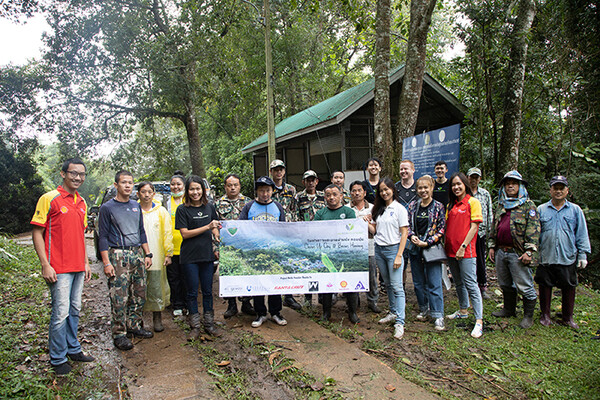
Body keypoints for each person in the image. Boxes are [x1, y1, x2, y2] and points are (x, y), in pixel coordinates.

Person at [31, 158, 94, 375]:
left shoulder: (82, 202)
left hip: (77, 265)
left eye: (81, 174)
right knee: (60, 312)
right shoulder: (49, 199)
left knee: (74, 309)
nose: (78, 178)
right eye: (73, 173)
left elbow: (81, 235)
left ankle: (73, 348)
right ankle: (57, 357)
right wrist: (45, 265)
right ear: (63, 174)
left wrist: (85, 262)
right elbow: (37, 232)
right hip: (58, 267)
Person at [99, 170, 154, 351]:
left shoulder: (135, 205)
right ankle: (119, 333)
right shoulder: (107, 208)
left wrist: (147, 254)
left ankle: (135, 325)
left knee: (139, 293)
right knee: (120, 296)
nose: (128, 185)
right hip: (118, 254)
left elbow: (141, 231)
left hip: (137, 253)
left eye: (130, 182)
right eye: (124, 182)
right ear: (116, 185)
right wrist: (107, 262)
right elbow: (103, 237)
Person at [535, 176, 590, 329]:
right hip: (547, 255)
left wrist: (583, 254)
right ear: (550, 190)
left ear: (567, 190)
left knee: (569, 286)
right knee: (544, 285)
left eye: (561, 188)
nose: (558, 191)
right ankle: (545, 315)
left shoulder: (575, 210)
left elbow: (581, 233)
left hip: (567, 256)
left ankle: (568, 317)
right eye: (555, 188)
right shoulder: (541, 210)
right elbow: (535, 234)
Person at [488, 171, 540, 329]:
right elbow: (494, 226)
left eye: (514, 183)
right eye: (507, 183)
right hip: (501, 251)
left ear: (520, 186)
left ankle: (528, 316)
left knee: (524, 284)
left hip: (517, 253)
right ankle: (509, 309)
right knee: (504, 283)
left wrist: (529, 251)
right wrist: (491, 245)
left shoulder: (528, 206)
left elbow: (534, 230)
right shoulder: (501, 204)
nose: (510, 186)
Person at [175, 175, 221, 340]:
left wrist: (216, 234)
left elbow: (215, 227)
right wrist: (207, 227)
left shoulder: (210, 207)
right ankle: (195, 326)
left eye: (198, 188)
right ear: (187, 191)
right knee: (192, 292)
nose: (195, 192)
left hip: (207, 256)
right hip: (189, 257)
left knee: (208, 291)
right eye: (192, 189)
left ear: (203, 190)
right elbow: (185, 234)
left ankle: (209, 324)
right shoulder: (182, 209)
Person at [239, 176, 288, 328]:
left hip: (274, 252)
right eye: (261, 191)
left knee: (275, 282)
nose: (265, 194)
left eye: (267, 190)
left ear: (272, 191)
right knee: (258, 282)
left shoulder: (278, 207)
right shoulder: (249, 207)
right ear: (257, 192)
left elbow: (284, 228)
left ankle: (275, 312)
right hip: (255, 252)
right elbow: (241, 227)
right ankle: (260, 313)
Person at [368, 177, 409, 339]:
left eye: (387, 189)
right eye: (381, 190)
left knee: (398, 287)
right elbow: (375, 230)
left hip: (394, 250)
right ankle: (393, 312)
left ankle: (400, 322)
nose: (384, 192)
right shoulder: (378, 209)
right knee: (388, 284)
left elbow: (404, 232)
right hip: (379, 250)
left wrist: (399, 255)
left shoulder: (399, 209)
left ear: (393, 189)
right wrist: (365, 222)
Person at [445, 172, 484, 338]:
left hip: (466, 251)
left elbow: (474, 227)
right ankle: (463, 310)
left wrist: (463, 246)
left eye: (459, 184)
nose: (456, 187)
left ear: (465, 184)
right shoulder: (451, 206)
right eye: (453, 185)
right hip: (450, 251)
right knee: (458, 282)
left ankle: (479, 321)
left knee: (471, 283)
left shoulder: (473, 202)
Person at [406, 175, 446, 331]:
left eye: (426, 187)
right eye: (420, 188)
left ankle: (438, 315)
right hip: (415, 248)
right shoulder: (412, 206)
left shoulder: (438, 207)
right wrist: (412, 236)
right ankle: (424, 308)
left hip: (431, 249)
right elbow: (407, 225)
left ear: (432, 187)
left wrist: (428, 241)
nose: (423, 191)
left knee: (434, 282)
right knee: (418, 282)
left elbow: (442, 228)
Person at [315, 184, 359, 323]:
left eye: (334, 194)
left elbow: (353, 232)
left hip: (345, 255)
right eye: (328, 195)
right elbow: (314, 232)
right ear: (324, 197)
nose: (331, 197)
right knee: (326, 284)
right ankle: (326, 313)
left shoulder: (349, 212)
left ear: (341, 195)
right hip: (326, 255)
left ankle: (352, 312)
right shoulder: (320, 214)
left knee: (350, 283)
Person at [215, 174, 256, 318]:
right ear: (225, 186)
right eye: (229, 185)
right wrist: (216, 248)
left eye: (235, 185)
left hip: (244, 245)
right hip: (226, 246)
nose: (232, 188)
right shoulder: (218, 204)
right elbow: (214, 227)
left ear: (240, 186)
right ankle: (231, 305)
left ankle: (246, 303)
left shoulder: (249, 203)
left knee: (246, 273)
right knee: (228, 274)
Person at [138, 182, 173, 333]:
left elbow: (167, 232)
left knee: (156, 287)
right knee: (138, 288)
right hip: (138, 256)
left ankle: (157, 318)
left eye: (149, 192)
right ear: (138, 193)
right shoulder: (134, 210)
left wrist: (168, 253)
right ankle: (137, 321)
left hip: (157, 255)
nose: (146, 195)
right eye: (143, 192)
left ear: (153, 193)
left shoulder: (161, 211)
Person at [270, 159, 302, 311]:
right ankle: (273, 294)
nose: (278, 172)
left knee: (288, 262)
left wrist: (295, 228)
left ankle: (288, 296)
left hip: (288, 231)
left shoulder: (291, 189)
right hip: (272, 232)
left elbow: (294, 209)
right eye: (275, 169)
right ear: (271, 171)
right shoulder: (267, 188)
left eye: (281, 169)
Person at [349, 180, 381, 313]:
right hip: (351, 248)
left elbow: (374, 231)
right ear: (350, 193)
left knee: (371, 276)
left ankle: (372, 301)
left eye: (359, 190)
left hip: (369, 246)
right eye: (354, 191)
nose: (357, 193)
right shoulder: (346, 208)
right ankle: (354, 302)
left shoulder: (373, 208)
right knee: (353, 275)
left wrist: (364, 222)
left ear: (365, 192)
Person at [296, 170, 326, 306]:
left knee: (322, 266)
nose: (311, 182)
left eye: (313, 180)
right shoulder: (298, 197)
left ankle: (322, 296)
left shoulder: (323, 196)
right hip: (306, 239)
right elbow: (295, 216)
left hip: (322, 239)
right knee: (308, 267)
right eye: (308, 180)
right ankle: (307, 298)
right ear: (303, 182)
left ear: (317, 181)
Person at [467, 168, 494, 299]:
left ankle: (482, 286)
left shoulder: (485, 194)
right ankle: (469, 287)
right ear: (467, 178)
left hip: (481, 232)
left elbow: (489, 213)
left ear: (479, 179)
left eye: (476, 177)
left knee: (481, 260)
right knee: (468, 260)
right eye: (471, 177)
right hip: (466, 232)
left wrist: (489, 231)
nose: (473, 180)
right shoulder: (464, 193)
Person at [165, 172, 187, 317]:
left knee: (188, 277)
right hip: (172, 247)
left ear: (184, 186)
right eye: (173, 184)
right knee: (174, 277)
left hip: (188, 246)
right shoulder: (165, 202)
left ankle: (188, 304)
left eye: (178, 184)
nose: (176, 187)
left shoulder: (189, 200)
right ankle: (177, 304)